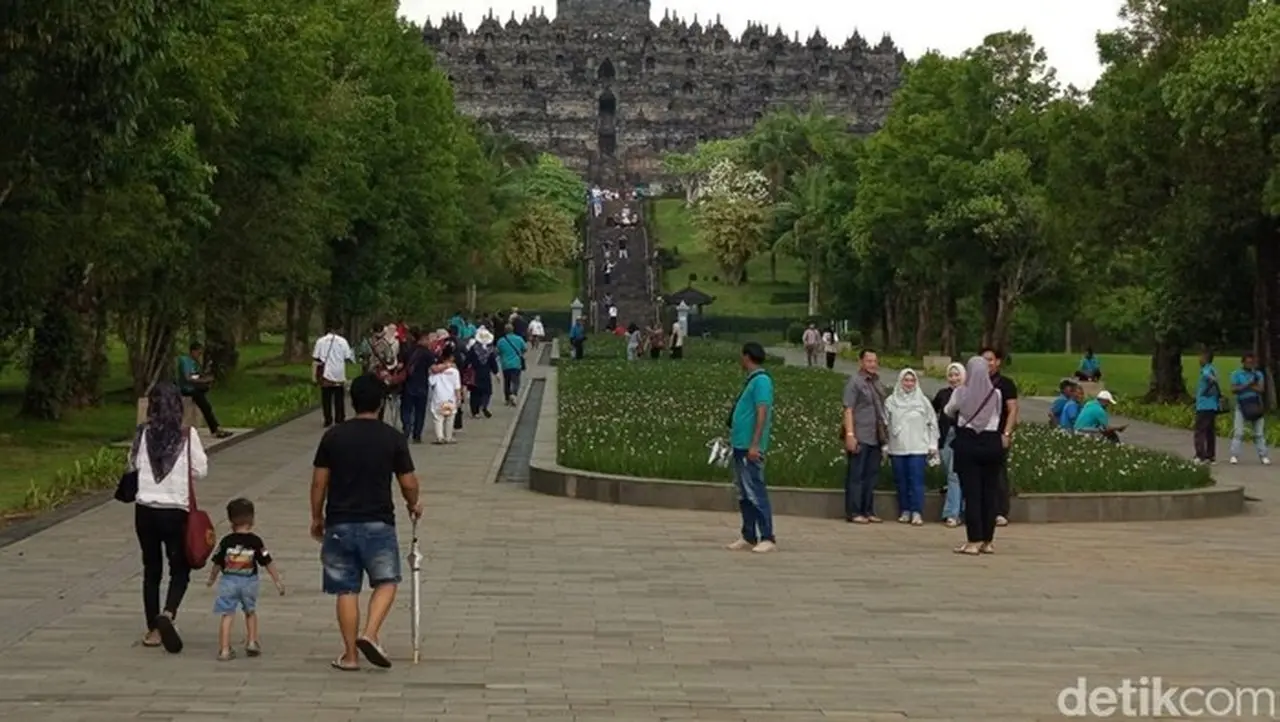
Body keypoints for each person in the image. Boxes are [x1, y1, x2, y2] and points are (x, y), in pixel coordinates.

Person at [310, 374, 422, 671]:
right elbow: (408, 482)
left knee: (346, 589)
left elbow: (319, 482)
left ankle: (349, 656)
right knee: (386, 581)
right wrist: (414, 504)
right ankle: (370, 633)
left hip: (339, 523)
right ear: (382, 402)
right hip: (378, 522)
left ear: (352, 401)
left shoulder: (333, 436)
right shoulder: (392, 437)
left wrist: (316, 516)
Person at [131, 382, 209, 653]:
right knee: (179, 568)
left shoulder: (143, 433)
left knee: (151, 570)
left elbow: (133, 466)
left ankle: (153, 629)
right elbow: (200, 470)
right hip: (175, 511)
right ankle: (169, 612)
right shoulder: (187, 435)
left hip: (145, 511)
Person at [206, 498, 285, 661]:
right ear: (252, 519)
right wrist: (277, 580)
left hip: (228, 581)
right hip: (249, 582)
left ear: (230, 520)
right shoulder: (255, 541)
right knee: (250, 612)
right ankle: (251, 642)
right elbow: (267, 561)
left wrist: (211, 579)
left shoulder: (226, 541)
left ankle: (224, 649)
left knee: (227, 614)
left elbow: (217, 563)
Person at [943, 356, 1004, 555]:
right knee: (989, 493)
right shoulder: (996, 393)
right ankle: (988, 540)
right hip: (992, 444)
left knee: (972, 493)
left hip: (968, 442)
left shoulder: (961, 392)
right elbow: (998, 414)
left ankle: (973, 540)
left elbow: (948, 410)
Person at [725, 342, 777, 553]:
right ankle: (748, 534)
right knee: (743, 492)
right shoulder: (750, 381)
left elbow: (761, 411)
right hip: (739, 444)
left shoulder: (761, 381)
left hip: (750, 446)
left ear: (747, 357)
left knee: (755, 490)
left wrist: (755, 443)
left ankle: (767, 535)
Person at [885, 369, 939, 526]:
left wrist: (932, 444)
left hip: (918, 447)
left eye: (912, 380)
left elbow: (932, 424)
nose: (908, 383)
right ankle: (905, 509)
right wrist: (885, 444)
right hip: (898, 447)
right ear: (900, 381)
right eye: (905, 380)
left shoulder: (923, 401)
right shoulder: (890, 401)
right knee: (901, 481)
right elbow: (885, 424)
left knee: (916, 480)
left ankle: (917, 511)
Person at [842, 348, 887, 524]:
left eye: (875, 361)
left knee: (871, 475)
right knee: (856, 475)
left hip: (875, 435)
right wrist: (850, 434)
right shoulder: (855, 382)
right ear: (861, 362)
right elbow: (848, 409)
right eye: (869, 361)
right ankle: (854, 511)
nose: (872, 365)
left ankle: (868, 510)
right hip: (860, 433)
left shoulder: (876, 383)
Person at [981, 347, 1019, 527]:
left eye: (990, 359)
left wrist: (1007, 433)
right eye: (984, 360)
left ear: (998, 362)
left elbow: (1012, 410)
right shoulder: (974, 383)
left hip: (997, 433)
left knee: (998, 473)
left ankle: (1000, 510)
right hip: (978, 434)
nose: (987, 363)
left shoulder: (1006, 384)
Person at [932, 362, 965, 527]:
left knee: (954, 475)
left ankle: (952, 513)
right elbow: (933, 411)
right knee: (951, 475)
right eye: (951, 375)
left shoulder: (967, 394)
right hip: (945, 436)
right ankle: (962, 509)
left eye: (957, 375)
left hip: (961, 437)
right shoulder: (942, 394)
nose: (954, 379)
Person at [176, 342, 232, 439]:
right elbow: (188, 378)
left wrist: (205, 378)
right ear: (193, 351)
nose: (199, 356)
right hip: (186, 388)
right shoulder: (185, 361)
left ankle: (215, 427)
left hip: (194, 388)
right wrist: (202, 380)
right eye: (198, 353)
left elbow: (196, 375)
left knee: (205, 399)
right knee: (204, 404)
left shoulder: (194, 362)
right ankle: (215, 429)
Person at [1229, 353, 1270, 465]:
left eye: (1252, 362)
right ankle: (1234, 454)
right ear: (1243, 362)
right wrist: (1249, 384)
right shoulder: (1237, 374)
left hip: (1255, 403)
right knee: (1238, 432)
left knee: (1259, 433)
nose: (1250, 364)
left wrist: (1247, 386)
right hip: (1241, 404)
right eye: (1248, 362)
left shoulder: (1258, 374)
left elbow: (1261, 389)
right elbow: (1233, 389)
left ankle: (1263, 455)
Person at [313, 324, 355, 428]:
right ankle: (339, 418)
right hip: (339, 372)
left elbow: (316, 357)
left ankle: (328, 419)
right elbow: (347, 356)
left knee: (326, 398)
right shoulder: (343, 341)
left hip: (326, 373)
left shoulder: (320, 341)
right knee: (339, 397)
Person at [401, 332, 436, 443]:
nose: (429, 342)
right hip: (422, 385)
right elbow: (433, 369)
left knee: (406, 408)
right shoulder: (428, 354)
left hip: (408, 384)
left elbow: (402, 365)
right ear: (423, 339)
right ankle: (417, 435)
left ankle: (406, 425)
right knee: (420, 412)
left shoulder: (408, 351)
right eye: (428, 339)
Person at [1193, 348, 1224, 464]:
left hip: (1204, 405)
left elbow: (1210, 378)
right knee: (1210, 431)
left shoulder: (1206, 370)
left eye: (1200, 357)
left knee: (1200, 430)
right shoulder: (1214, 369)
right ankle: (1211, 455)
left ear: (1205, 358)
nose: (1198, 359)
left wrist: (1207, 389)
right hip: (1212, 405)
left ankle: (1200, 455)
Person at [429, 346, 462, 444]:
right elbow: (457, 386)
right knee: (450, 417)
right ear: (451, 357)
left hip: (438, 396)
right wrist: (459, 398)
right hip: (451, 396)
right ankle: (449, 437)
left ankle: (440, 437)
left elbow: (431, 382)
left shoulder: (437, 371)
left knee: (438, 418)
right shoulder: (455, 371)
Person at [466, 330, 499, 417]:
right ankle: (483, 405)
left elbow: (467, 361)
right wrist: (496, 373)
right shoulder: (490, 350)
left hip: (475, 373)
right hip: (486, 374)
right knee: (487, 392)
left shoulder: (473, 349)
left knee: (475, 393)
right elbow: (493, 363)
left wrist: (464, 370)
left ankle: (475, 412)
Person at [496, 323, 527, 406]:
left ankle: (507, 399)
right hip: (516, 364)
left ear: (505, 331)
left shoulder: (501, 341)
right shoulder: (519, 339)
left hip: (505, 365)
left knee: (507, 382)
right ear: (513, 330)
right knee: (516, 381)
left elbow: (497, 352)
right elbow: (525, 348)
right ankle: (514, 394)